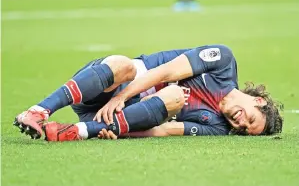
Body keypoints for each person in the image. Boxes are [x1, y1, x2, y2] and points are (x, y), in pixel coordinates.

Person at [13, 44, 283, 142]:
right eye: (251, 119)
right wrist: (119, 96)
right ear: (258, 100)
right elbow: (165, 72)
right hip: (105, 87)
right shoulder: (223, 61)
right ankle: (38, 111)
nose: (241, 124)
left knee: (173, 100)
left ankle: (76, 131)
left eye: (245, 130)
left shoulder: (218, 127)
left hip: (114, 118)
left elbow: (163, 131)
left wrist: (116, 132)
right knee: (124, 65)